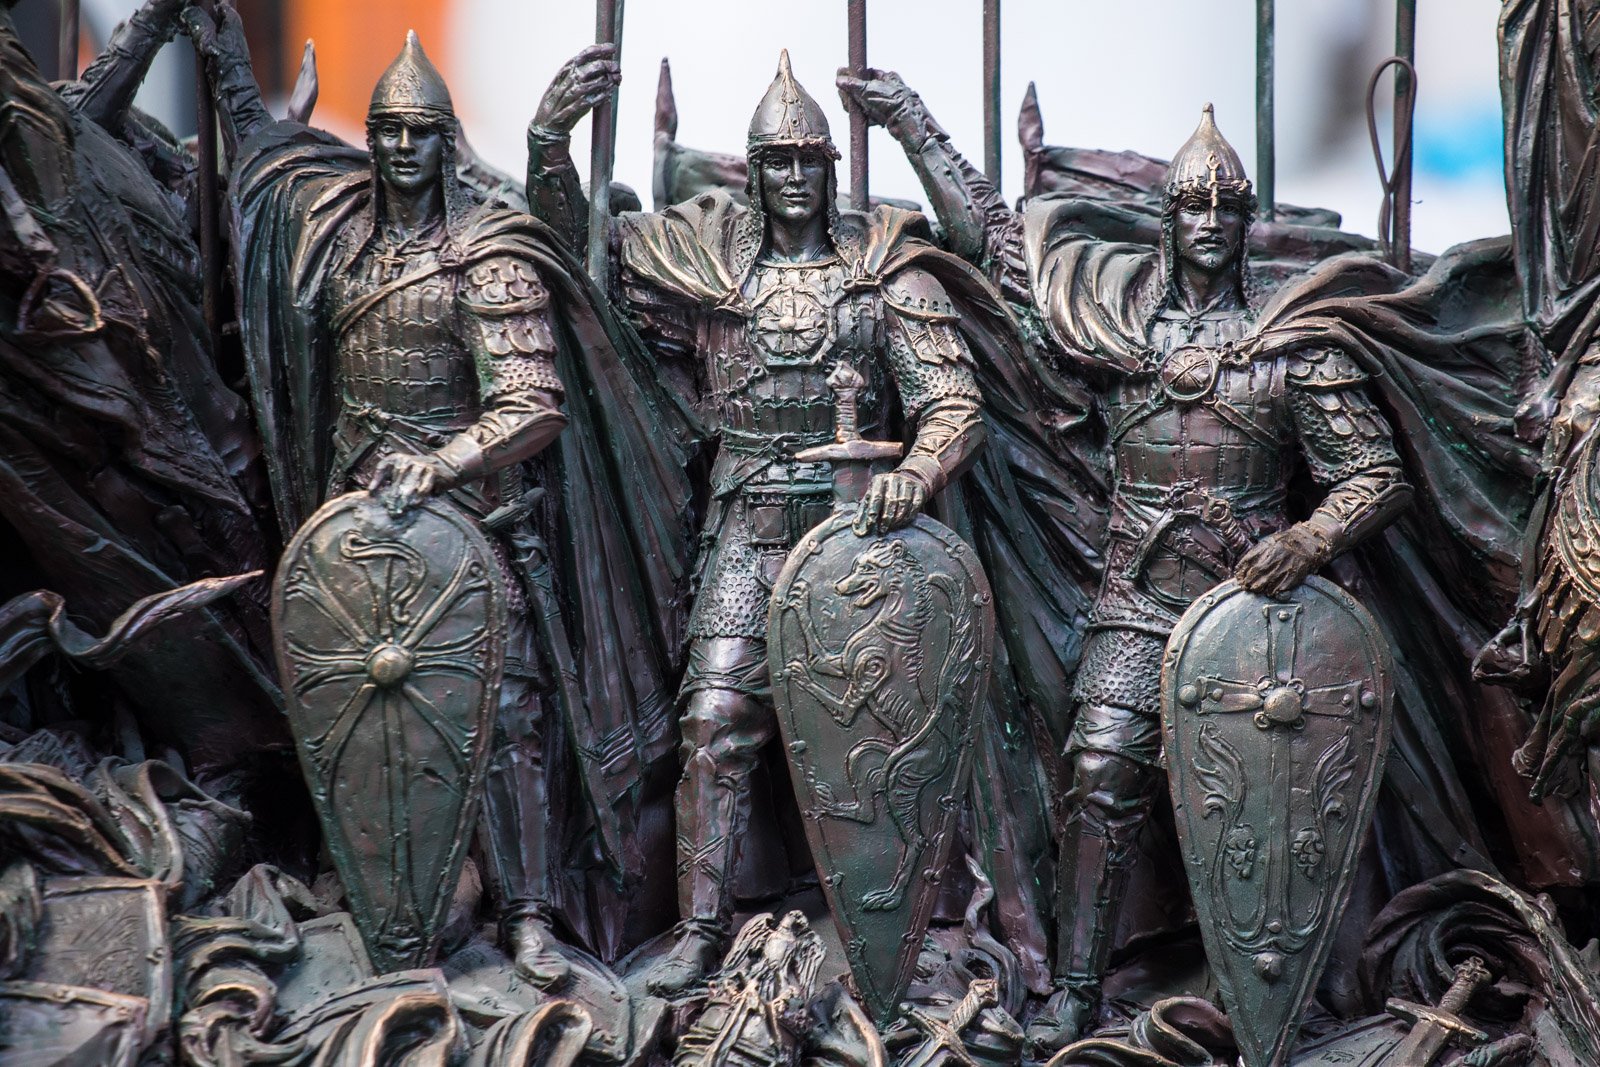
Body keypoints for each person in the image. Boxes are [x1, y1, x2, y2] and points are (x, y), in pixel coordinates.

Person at [189, 8, 693, 980]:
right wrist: (227, 68)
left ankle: (530, 913)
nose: (403, 147)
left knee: (507, 714)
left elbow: (531, 404)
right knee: (353, 705)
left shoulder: (487, 256)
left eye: (422, 131)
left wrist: (444, 463)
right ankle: (375, 892)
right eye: (388, 129)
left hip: (469, 525)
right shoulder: (343, 245)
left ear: (448, 140)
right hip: (354, 523)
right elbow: (265, 177)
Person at [526, 52, 989, 995]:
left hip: (862, 537)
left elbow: (954, 399)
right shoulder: (707, 268)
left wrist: (917, 470)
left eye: (810, 160)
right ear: (754, 172)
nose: (793, 177)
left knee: (880, 740)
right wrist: (548, 144)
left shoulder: (879, 272)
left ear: (830, 169)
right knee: (715, 718)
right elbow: (575, 264)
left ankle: (886, 932)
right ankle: (702, 928)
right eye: (776, 161)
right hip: (747, 524)